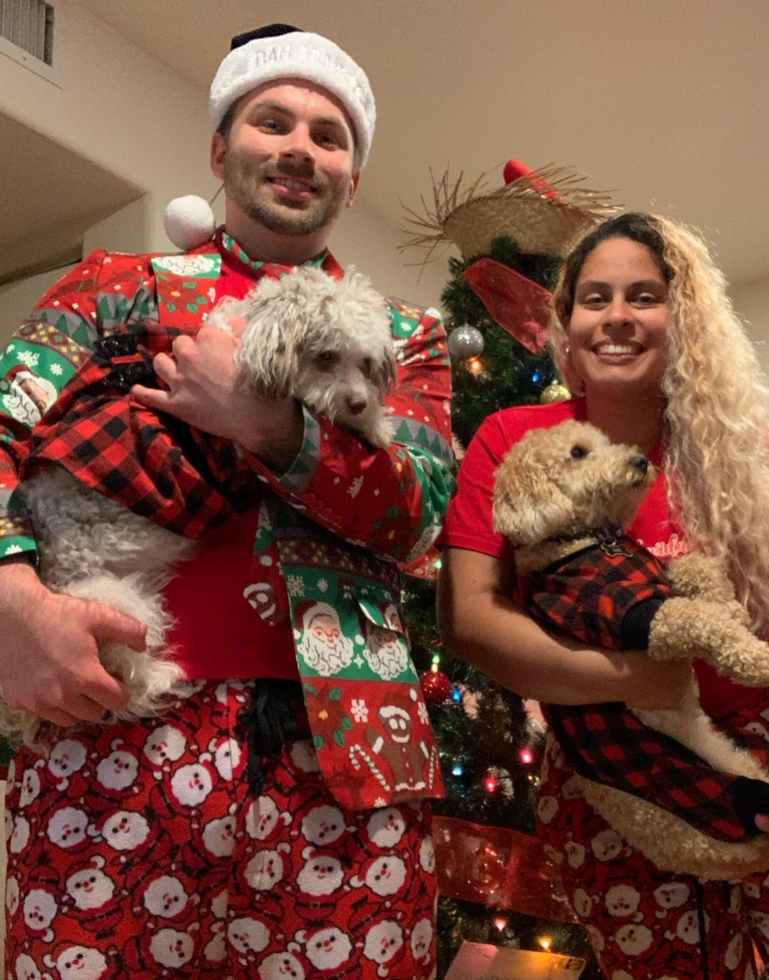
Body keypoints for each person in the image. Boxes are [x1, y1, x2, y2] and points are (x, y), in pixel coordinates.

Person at [0, 24, 452, 980]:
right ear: (220, 148)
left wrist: (270, 429)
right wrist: (11, 603)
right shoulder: (115, 286)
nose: (300, 147)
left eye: (330, 136)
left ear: (352, 177)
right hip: (109, 733)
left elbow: (419, 515)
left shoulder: (405, 338)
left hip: (351, 760)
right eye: (271, 120)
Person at [438, 212, 769, 979]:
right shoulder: (513, 438)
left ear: (682, 315)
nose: (618, 317)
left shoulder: (747, 450)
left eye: (644, 296)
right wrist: (637, 680)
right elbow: (470, 619)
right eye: (595, 298)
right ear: (566, 322)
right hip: (614, 785)